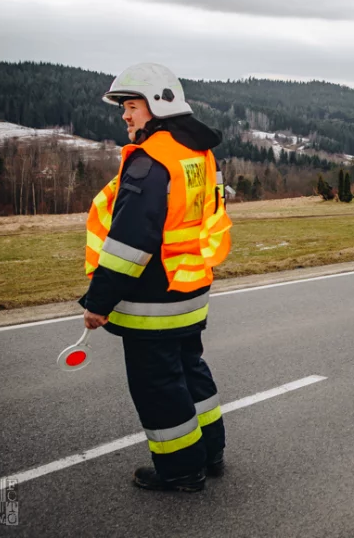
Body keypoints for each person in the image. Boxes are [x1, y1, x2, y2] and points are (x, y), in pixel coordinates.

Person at [80, 63, 232, 492]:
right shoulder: (197, 153)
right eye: (124, 108)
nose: (125, 116)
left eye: (131, 106)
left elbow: (131, 243)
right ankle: (210, 452)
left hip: (155, 300)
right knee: (190, 369)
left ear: (159, 105)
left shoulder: (151, 161)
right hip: (191, 286)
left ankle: (181, 470)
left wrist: (98, 302)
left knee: (157, 386)